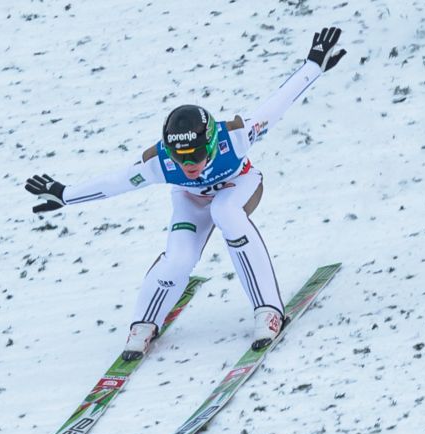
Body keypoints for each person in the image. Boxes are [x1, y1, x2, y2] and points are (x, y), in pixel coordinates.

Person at [26, 27, 346, 361]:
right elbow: (116, 182)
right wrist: (66, 195)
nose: (189, 164)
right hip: (190, 200)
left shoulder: (234, 137)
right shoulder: (161, 163)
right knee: (178, 259)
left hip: (239, 185)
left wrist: (313, 65)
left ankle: (268, 310)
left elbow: (276, 106)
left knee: (226, 213)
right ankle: (144, 324)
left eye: (195, 155)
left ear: (210, 143)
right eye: (181, 158)